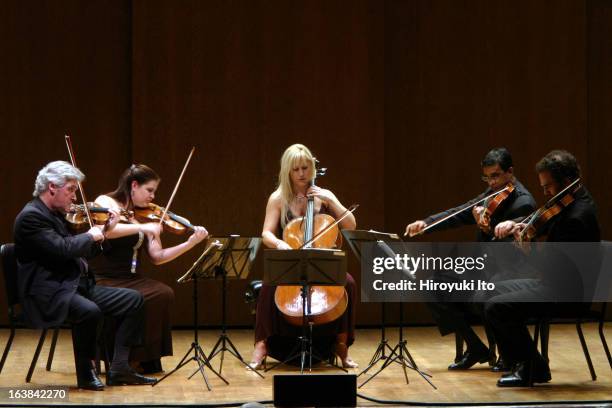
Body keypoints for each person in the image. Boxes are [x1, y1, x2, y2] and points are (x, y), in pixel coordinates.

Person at [14, 161, 156, 390]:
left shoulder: (59, 215)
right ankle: (86, 374)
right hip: (48, 292)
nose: (74, 197)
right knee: (89, 311)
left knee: (134, 300)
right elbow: (63, 249)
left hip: (72, 286)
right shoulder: (31, 217)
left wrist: (106, 230)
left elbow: (81, 252)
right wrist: (90, 235)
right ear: (52, 187)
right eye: (70, 189)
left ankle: (119, 367)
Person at [404, 148, 536, 371]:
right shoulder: (491, 194)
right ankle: (475, 346)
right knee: (432, 287)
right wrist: (426, 223)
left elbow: (505, 251)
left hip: (510, 273)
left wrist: (486, 228)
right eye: (487, 177)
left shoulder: (523, 203)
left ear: (510, 172)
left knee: (485, 291)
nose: (491, 182)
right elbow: (460, 212)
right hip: (483, 270)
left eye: (495, 176)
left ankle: (507, 351)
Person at [486, 150, 601, 386]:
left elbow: (554, 269)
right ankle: (520, 361)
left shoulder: (577, 217)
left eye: (548, 187)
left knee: (498, 306)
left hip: (567, 292)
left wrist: (531, 252)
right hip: (556, 282)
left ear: (567, 182)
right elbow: (544, 214)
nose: (545, 193)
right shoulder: (570, 198)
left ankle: (532, 367)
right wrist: (516, 222)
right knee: (489, 291)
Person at [89, 164, 208, 374]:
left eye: (154, 191)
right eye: (149, 190)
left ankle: (141, 358)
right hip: (102, 277)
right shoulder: (106, 202)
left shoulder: (145, 216)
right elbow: (103, 230)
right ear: (134, 185)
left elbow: (157, 257)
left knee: (163, 293)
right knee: (142, 297)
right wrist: (142, 227)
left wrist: (190, 243)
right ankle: (120, 358)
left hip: (129, 277)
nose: (153, 197)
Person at [249, 143, 358, 369]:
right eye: (296, 169)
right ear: (287, 170)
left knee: (348, 282)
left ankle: (341, 345)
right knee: (269, 285)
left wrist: (332, 200)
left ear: (312, 169)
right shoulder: (278, 198)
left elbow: (351, 225)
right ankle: (261, 345)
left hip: (320, 262)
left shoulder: (323, 196)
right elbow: (266, 233)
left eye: (306, 168)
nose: (301, 173)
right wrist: (280, 244)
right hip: (292, 261)